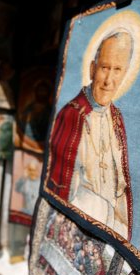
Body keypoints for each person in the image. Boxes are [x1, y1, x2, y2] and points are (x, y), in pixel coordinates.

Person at [46, 31, 134, 240]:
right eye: (105, 68)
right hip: (77, 223)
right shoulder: (72, 114)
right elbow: (61, 187)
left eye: (117, 70)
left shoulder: (117, 120)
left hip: (109, 226)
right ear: (92, 68)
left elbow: (120, 189)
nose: (108, 80)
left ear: (125, 74)